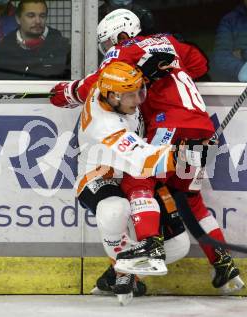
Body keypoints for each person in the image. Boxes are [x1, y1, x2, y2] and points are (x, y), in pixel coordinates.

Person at [50, 9, 244, 294]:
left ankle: (149, 246)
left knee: (139, 177)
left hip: (171, 126)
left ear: (121, 35)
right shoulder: (169, 43)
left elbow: (101, 84)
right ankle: (222, 262)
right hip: (203, 127)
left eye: (107, 44)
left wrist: (65, 93)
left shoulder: (123, 51)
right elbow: (200, 65)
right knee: (192, 200)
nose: (108, 51)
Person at [76, 61, 191, 303]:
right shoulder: (104, 124)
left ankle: (120, 270)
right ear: (112, 97)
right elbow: (142, 160)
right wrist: (189, 154)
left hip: (131, 173)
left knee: (180, 246)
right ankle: (125, 269)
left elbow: (88, 83)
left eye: (141, 91)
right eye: (131, 95)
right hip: (99, 175)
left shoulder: (109, 88)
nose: (139, 100)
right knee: (114, 210)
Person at [0, 0, 69, 80]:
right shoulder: (3, 50)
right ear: (18, 19)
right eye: (31, 16)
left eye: (42, 16)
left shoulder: (62, 48)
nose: (38, 21)